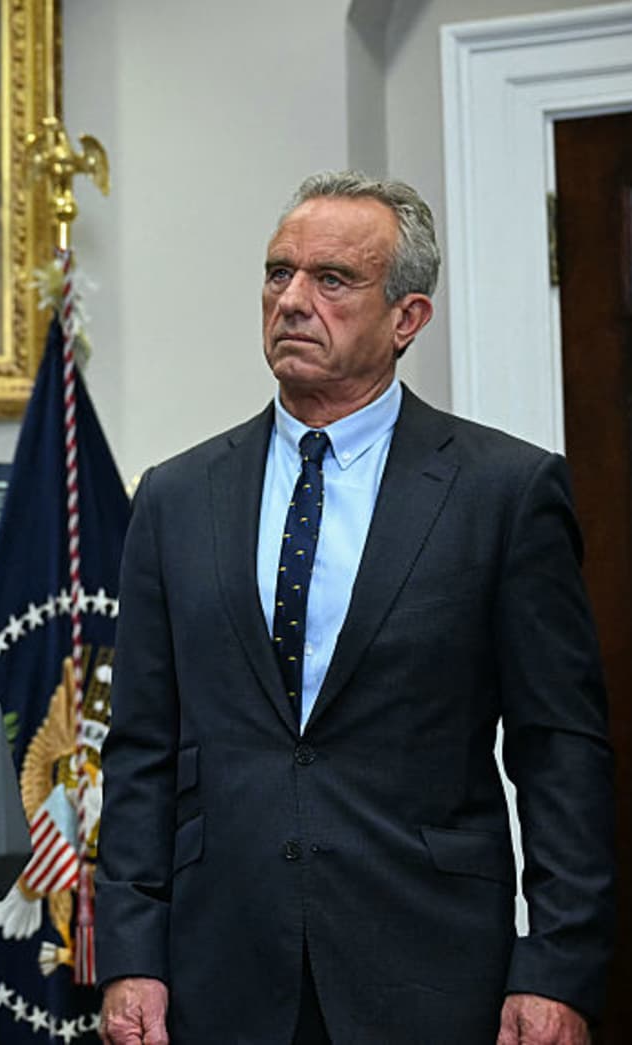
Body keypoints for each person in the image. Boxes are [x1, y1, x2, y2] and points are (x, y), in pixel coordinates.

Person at [94, 171, 613, 1045]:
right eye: (278, 273)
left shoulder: (505, 492)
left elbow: (559, 750)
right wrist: (131, 954)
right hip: (219, 974)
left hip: (432, 971)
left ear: (408, 316)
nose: (293, 299)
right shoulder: (176, 497)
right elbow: (142, 747)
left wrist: (557, 966)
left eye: (332, 280)